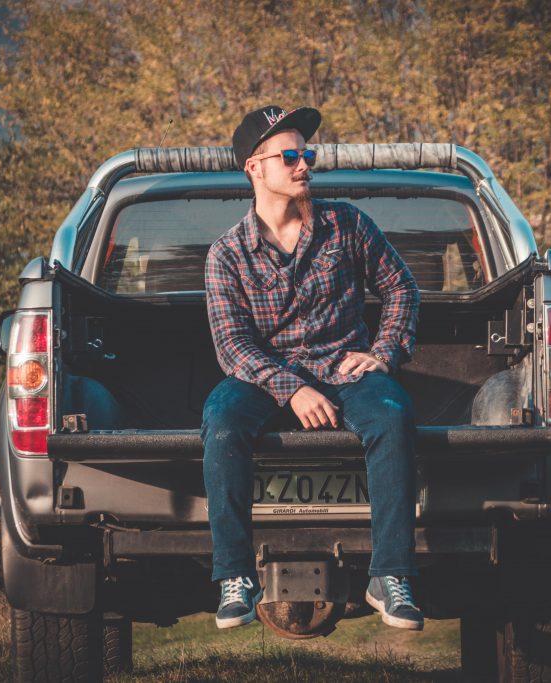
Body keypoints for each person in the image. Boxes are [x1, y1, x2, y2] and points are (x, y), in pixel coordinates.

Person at [202, 105, 422, 631]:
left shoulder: (347, 224)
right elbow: (232, 346)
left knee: (392, 414)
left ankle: (390, 577)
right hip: (263, 377)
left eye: (308, 155)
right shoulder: (227, 253)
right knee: (221, 419)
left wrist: (384, 352)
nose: (305, 166)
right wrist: (292, 388)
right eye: (291, 156)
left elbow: (401, 288)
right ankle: (235, 579)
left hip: (346, 370)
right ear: (255, 168)